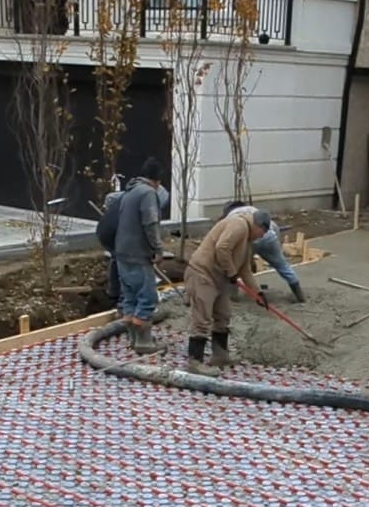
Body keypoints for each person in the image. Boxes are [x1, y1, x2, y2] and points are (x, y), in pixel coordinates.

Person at [184, 206, 271, 374]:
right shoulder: (239, 225)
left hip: (219, 278)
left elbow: (245, 269)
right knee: (202, 318)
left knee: (223, 315)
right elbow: (222, 248)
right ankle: (195, 362)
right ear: (259, 227)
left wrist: (258, 293)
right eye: (263, 233)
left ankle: (220, 354)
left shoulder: (247, 240)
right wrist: (231, 272)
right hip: (203, 274)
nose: (261, 237)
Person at [96, 170, 170, 313]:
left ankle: (118, 297)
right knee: (125, 263)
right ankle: (120, 299)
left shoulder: (131, 193)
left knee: (119, 259)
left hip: (106, 229)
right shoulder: (148, 198)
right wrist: (156, 249)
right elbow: (149, 226)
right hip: (113, 233)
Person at [113, 158, 166, 355]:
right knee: (147, 297)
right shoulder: (148, 193)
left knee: (130, 296)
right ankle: (143, 343)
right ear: (157, 180)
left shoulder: (130, 191)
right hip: (138, 254)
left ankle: (133, 339)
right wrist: (158, 249)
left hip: (121, 252)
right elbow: (150, 223)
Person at [222, 200, 305, 303]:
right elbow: (274, 228)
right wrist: (276, 250)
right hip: (269, 236)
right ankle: (299, 295)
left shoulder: (231, 217)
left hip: (248, 238)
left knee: (235, 265)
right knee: (282, 265)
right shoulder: (254, 211)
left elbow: (231, 242)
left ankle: (233, 297)